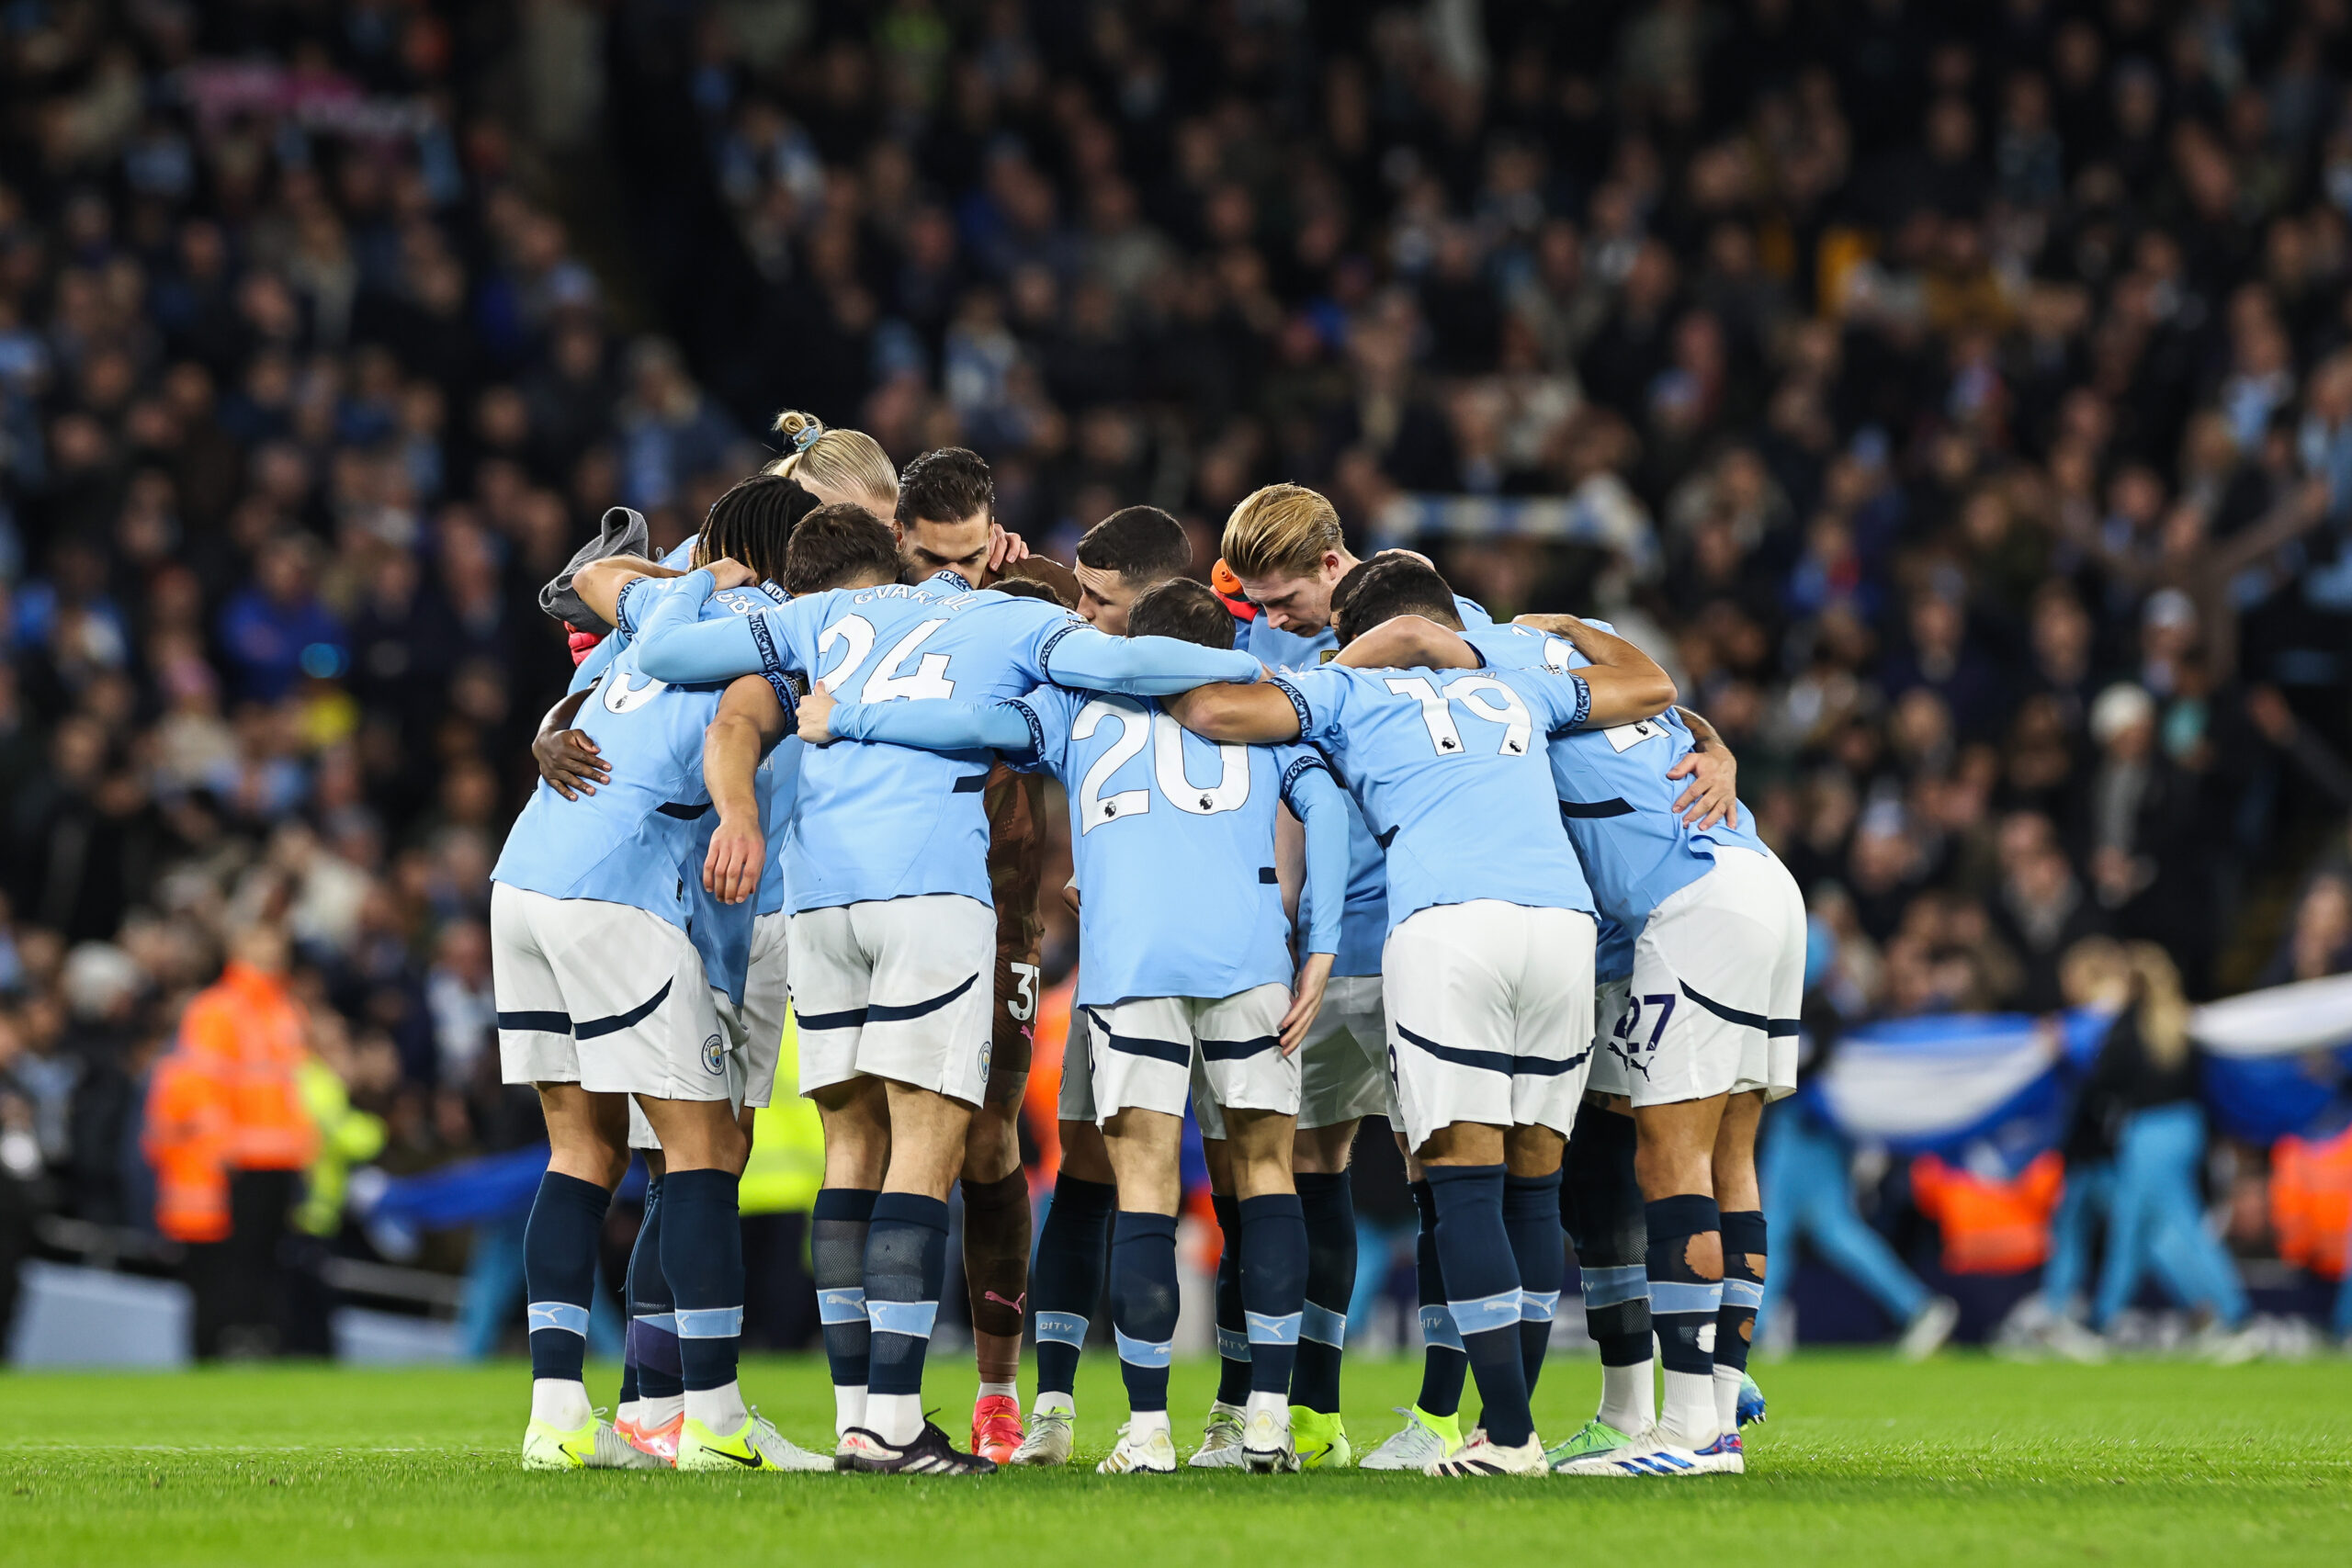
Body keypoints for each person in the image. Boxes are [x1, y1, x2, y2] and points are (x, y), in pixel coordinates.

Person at [590, 502, 1261, 1472]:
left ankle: (859, 1407)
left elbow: (671, 657)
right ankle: (892, 1422)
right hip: (931, 890)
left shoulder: (825, 618)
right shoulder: (1020, 621)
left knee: (851, 1145)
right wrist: (1251, 668)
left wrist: (673, 587)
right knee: (933, 1140)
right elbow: (1123, 669)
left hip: (818, 896)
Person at [801, 575, 1352, 1473]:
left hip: (1132, 964)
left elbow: (970, 727)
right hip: (1249, 958)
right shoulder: (1263, 710)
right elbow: (1325, 810)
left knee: (1141, 1189)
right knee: (1265, 1178)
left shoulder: (1080, 714)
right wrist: (1320, 946)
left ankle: (1145, 1433)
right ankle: (1264, 1424)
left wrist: (853, 717)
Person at [1165, 554, 1678, 1476]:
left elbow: (1211, 712)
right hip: (1562, 925)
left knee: (1462, 1179)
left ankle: (1509, 1438)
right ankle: (1495, 1430)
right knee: (1533, 1179)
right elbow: (1650, 686)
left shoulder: (1346, 692)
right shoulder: (1516, 680)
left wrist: (1359, 656)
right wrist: (1562, 626)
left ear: (1355, 623)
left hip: (1448, 926)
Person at [1336, 558, 1805, 1477]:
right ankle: (1706, 1387)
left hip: (1685, 904)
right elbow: (1664, 698)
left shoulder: (1477, 676)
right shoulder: (1550, 649)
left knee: (1665, 1158)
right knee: (1726, 1156)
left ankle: (1697, 1428)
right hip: (1755, 876)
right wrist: (1716, 745)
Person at [490, 477, 823, 1474]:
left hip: (526, 876)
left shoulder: (660, 601)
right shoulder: (765, 621)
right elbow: (731, 726)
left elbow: (592, 590)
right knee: (703, 1148)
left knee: (578, 1152)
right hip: (620, 891)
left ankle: (557, 1421)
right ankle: (714, 1424)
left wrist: (548, 723)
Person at [1212, 483, 1492, 1472]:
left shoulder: (1438, 621)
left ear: (1334, 566)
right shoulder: (1261, 651)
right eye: (1253, 602)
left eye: (1282, 599)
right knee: (1311, 1164)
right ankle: (1319, 1416)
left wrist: (1705, 739)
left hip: (1425, 934)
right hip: (1323, 956)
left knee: (1443, 1172)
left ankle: (1441, 1416)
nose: (1272, 619)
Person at [886, 446, 1081, 1461]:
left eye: (973, 555)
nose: (958, 577)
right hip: (873, 895)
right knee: (879, 1142)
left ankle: (997, 1392)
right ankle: (876, 1401)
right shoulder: (859, 603)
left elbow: (1114, 706)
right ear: (899, 542)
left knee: (988, 1141)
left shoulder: (1040, 594)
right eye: (936, 561)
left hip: (1001, 907)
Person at [1015, 504, 1207, 1462]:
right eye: (1075, 597)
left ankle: (1242, 1413)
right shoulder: (1079, 687)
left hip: (1218, 967)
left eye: (1100, 600)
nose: (1082, 615)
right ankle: (1053, 1403)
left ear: (1160, 599)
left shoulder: (1245, 670)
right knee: (1088, 1174)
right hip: (1126, 967)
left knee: (1250, 1184)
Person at [150, 922, 320, 1359]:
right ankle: (226, 1344)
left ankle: (256, 1341)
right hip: (239, 1159)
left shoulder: (284, 1009)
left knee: (266, 1263)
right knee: (231, 1266)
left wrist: (305, 1141)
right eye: (260, 945)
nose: (271, 955)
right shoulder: (218, 1009)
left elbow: (294, 1086)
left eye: (275, 946)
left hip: (280, 1160)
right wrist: (218, 1147)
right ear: (236, 950)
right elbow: (202, 1083)